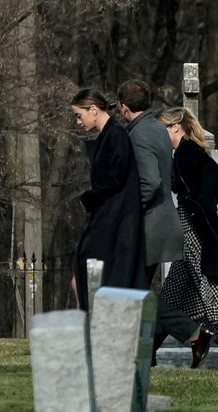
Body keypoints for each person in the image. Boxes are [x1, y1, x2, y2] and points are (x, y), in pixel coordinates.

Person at [117, 80, 212, 368]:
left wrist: (126, 214)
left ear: (123, 107)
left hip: (148, 226)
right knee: (137, 292)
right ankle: (148, 356)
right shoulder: (158, 129)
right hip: (162, 222)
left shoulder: (138, 135)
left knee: (130, 292)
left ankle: (194, 333)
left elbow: (151, 182)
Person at [157, 106, 218, 371]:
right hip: (190, 229)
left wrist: (201, 207)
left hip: (195, 232)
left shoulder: (187, 153)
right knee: (172, 295)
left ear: (175, 127)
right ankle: (147, 355)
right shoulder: (184, 154)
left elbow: (217, 181)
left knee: (216, 293)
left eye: (162, 129)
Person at [69, 88, 148, 311]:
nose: (78, 121)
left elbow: (116, 178)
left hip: (117, 221)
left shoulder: (115, 135)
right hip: (112, 218)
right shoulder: (109, 135)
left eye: (79, 114)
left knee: (102, 273)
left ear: (93, 110)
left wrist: (89, 197)